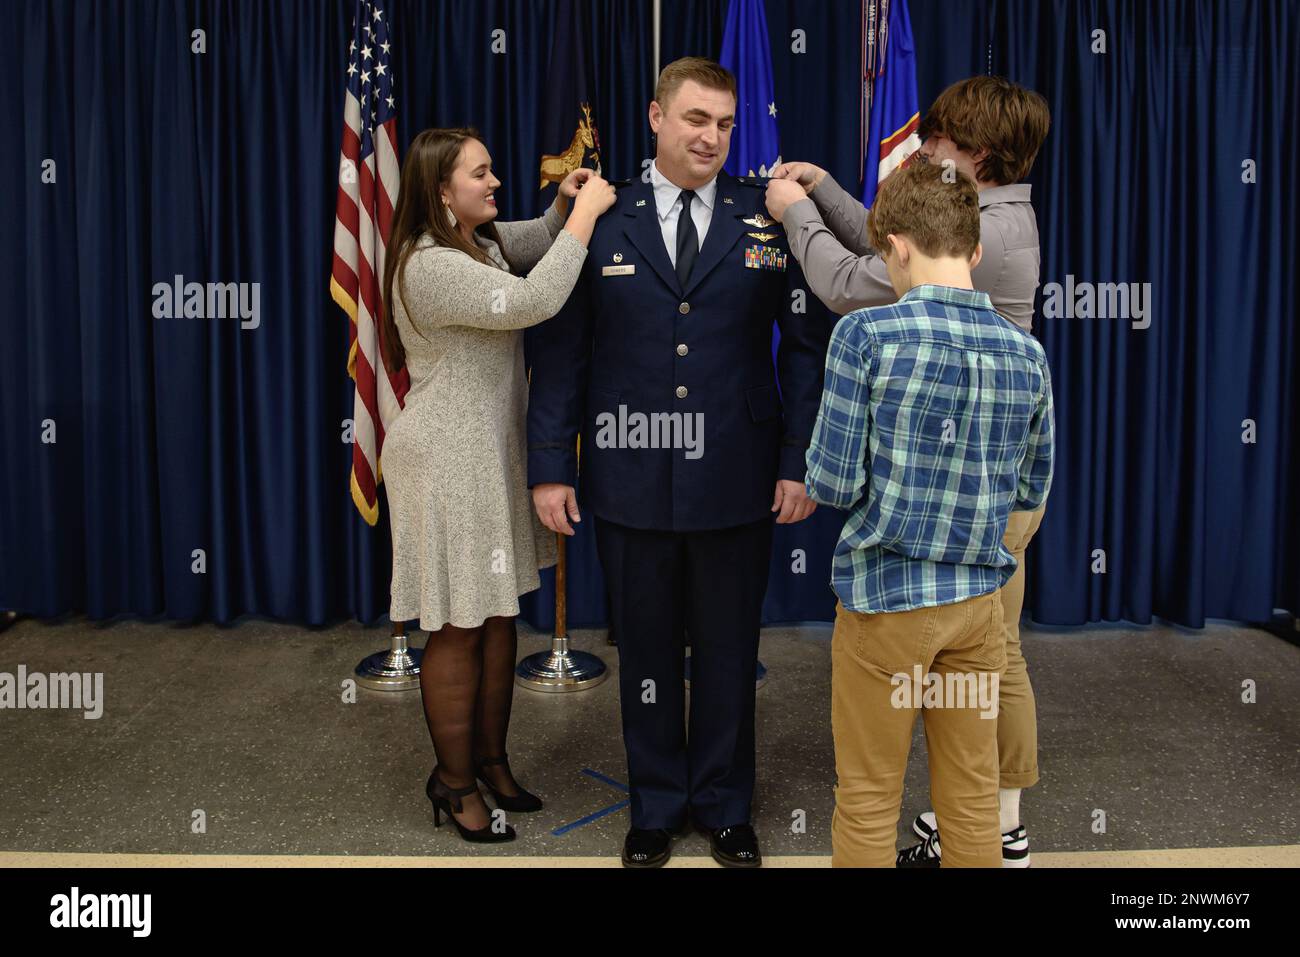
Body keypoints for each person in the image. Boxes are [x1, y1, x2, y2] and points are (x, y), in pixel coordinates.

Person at [527, 58, 828, 868]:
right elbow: (562, 350)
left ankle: (727, 805)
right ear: (656, 116)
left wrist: (799, 459)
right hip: (630, 470)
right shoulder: (604, 215)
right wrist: (552, 463)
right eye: (697, 119)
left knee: (730, 649)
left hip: (740, 468)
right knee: (649, 653)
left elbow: (804, 350)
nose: (713, 138)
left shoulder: (765, 215)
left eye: (726, 125)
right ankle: (656, 805)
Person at [765, 75, 1052, 865]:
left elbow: (829, 477)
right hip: (976, 601)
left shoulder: (866, 338)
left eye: (940, 142)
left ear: (979, 156)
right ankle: (1005, 826)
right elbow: (1032, 480)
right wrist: (826, 193)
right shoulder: (1024, 347)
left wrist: (796, 209)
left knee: (867, 796)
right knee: (965, 797)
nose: (925, 150)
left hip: (887, 602)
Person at [379, 128, 615, 844]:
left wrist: (561, 208)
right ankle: (452, 784)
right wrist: (586, 216)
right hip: (448, 457)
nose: (494, 183)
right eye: (480, 175)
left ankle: (489, 760)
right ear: (441, 191)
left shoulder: (471, 242)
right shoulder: (429, 265)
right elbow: (531, 301)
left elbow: (531, 237)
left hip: (488, 453)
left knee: (497, 612)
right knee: (457, 621)